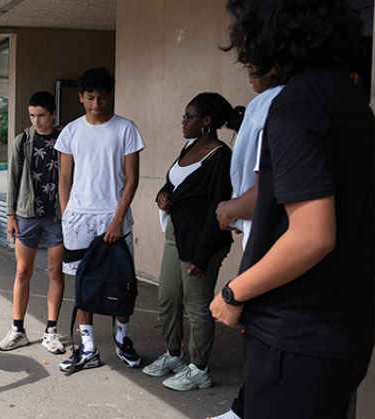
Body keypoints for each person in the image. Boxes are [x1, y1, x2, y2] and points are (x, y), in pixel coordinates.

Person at [211, 1, 374, 418]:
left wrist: (235, 292)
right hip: (341, 325)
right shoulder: (350, 102)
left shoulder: (298, 105)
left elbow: (312, 236)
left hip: (296, 332)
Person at [144, 93, 240, 391]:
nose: (183, 122)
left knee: (197, 305)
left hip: (203, 240)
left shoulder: (219, 156)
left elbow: (218, 208)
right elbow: (174, 182)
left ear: (206, 122)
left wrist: (202, 256)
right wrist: (162, 193)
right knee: (168, 298)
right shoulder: (189, 146)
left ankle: (199, 369)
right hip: (177, 234)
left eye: (189, 117)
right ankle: (174, 354)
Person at [54, 67, 145, 372]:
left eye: (102, 97)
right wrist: (67, 214)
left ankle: (122, 340)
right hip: (78, 221)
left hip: (114, 218)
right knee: (84, 285)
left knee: (121, 282)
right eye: (90, 97)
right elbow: (64, 177)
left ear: (110, 96)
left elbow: (132, 179)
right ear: (81, 97)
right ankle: (89, 347)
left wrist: (118, 219)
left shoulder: (126, 129)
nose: (96, 103)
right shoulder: (71, 131)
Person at [209, 71, 283, 419]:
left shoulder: (280, 105)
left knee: (265, 329)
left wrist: (229, 211)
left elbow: (264, 193)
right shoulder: (272, 103)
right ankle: (244, 406)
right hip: (262, 231)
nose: (247, 66)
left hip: (273, 239)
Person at [0, 91, 66, 354]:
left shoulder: (65, 139)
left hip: (57, 216)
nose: (36, 121)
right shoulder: (23, 140)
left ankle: (51, 331)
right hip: (27, 213)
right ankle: (18, 330)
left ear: (53, 114)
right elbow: (13, 178)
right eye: (32, 115)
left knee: (55, 272)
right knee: (22, 271)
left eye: (41, 115)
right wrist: (10, 215)